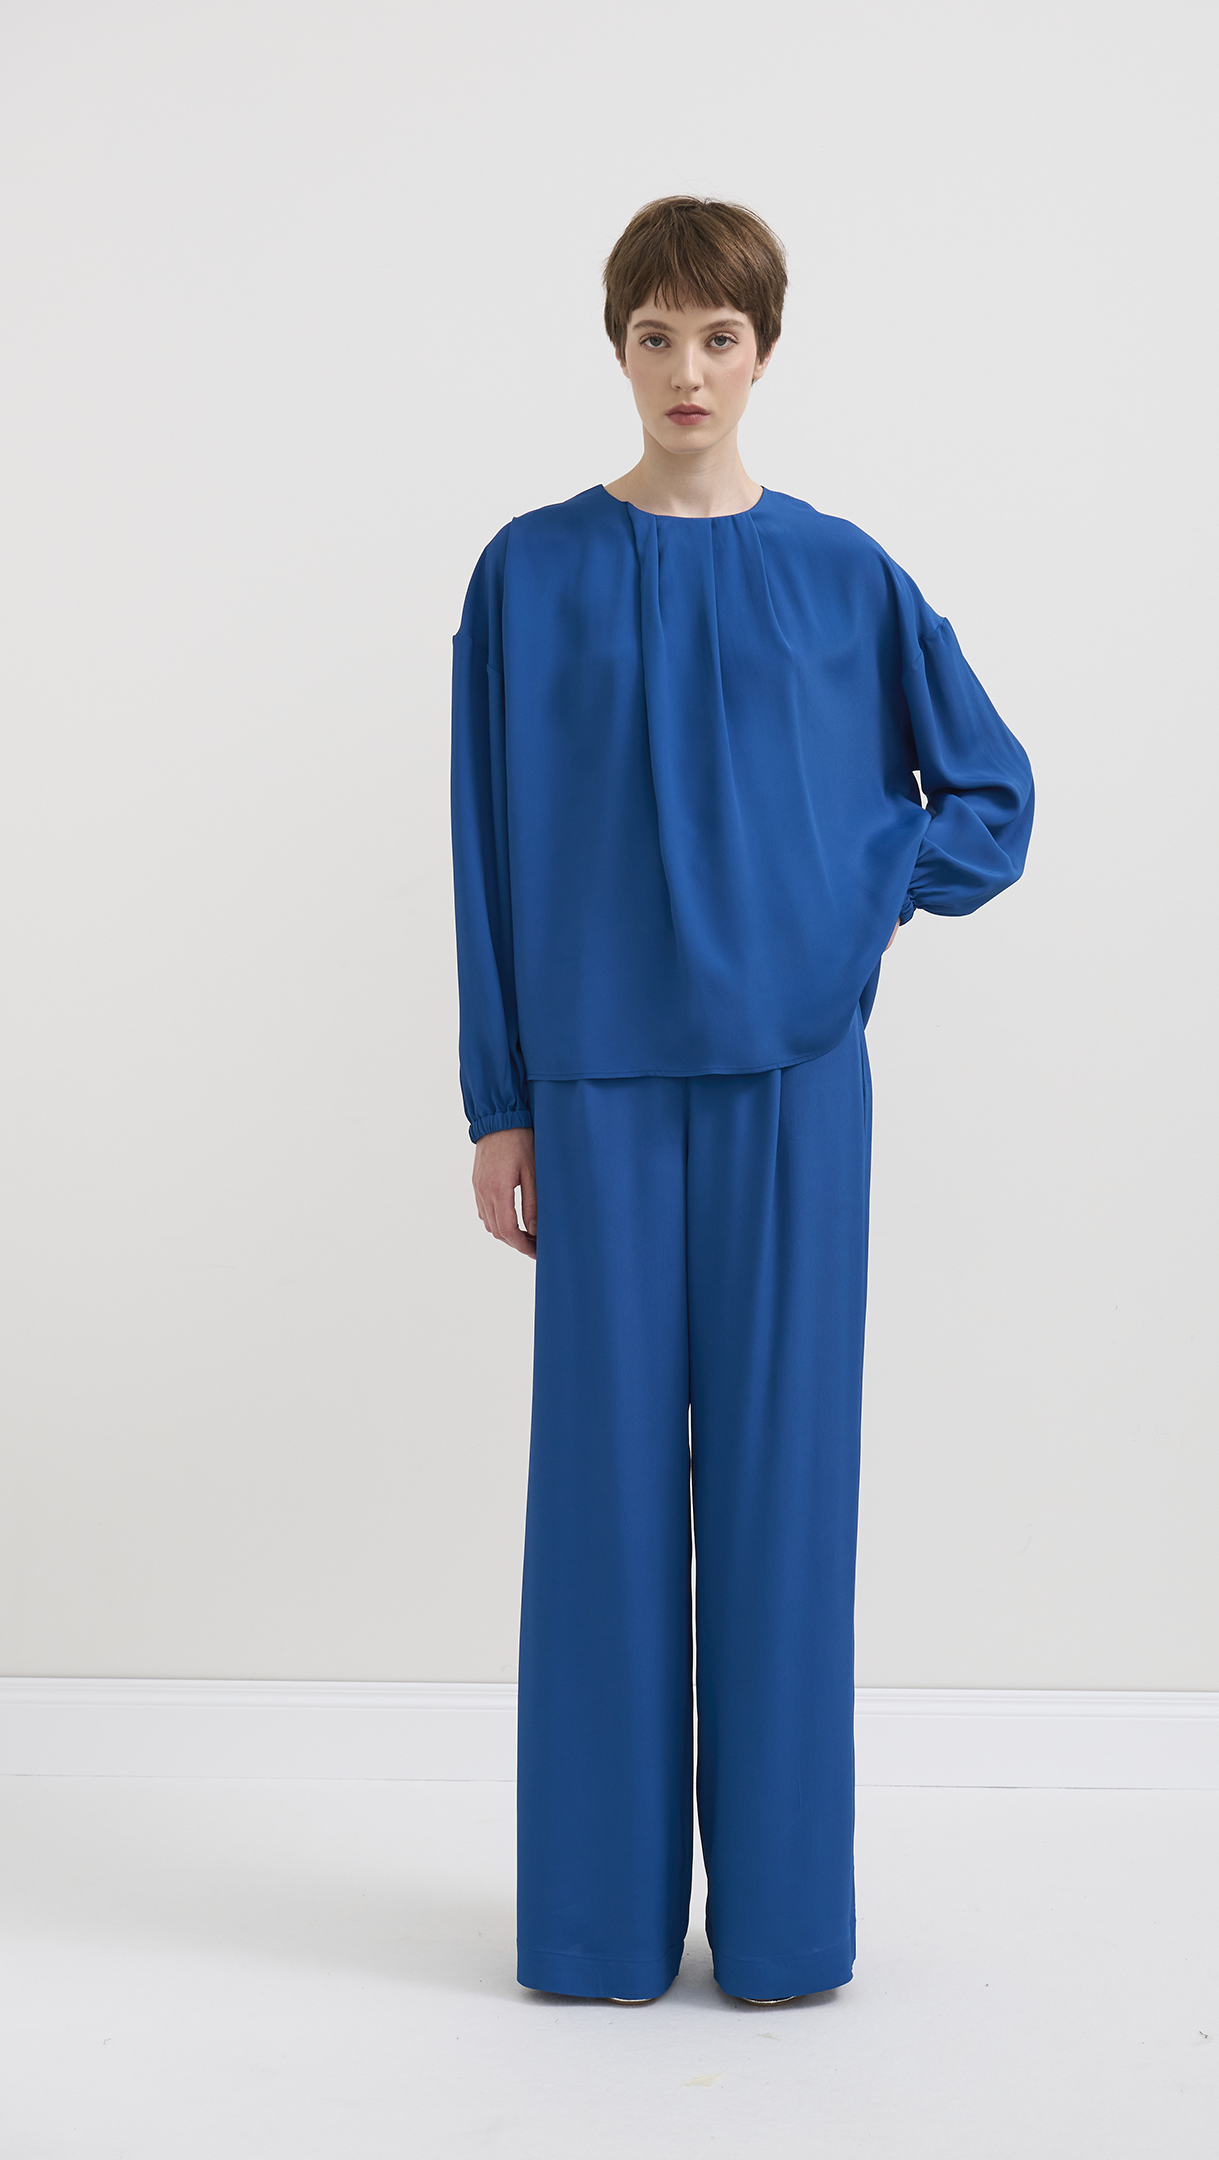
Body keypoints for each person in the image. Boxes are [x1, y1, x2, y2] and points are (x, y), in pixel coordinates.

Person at [450, 196, 1033, 2007]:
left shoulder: (844, 574)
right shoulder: (527, 574)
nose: (687, 369)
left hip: (795, 1092)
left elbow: (989, 798)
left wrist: (851, 896)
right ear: (616, 349)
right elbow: (485, 847)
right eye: (656, 336)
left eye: (718, 336)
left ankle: (783, 1933)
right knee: (604, 1512)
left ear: (764, 351)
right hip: (598, 1094)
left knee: (784, 1502)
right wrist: (498, 1103)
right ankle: (594, 1934)